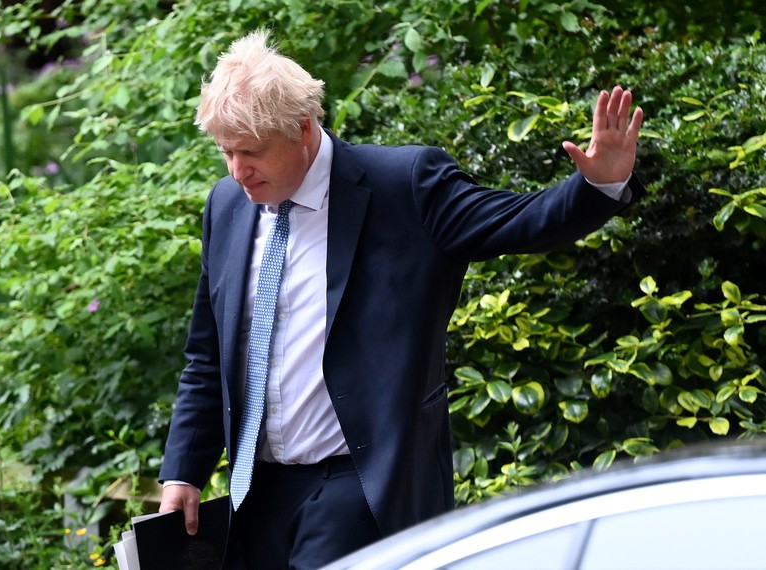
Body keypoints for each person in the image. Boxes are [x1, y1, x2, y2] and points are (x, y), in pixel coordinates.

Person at [158, 28, 645, 569]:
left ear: (302, 129)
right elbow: (208, 355)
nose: (236, 170)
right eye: (226, 152)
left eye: (250, 152)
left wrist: (597, 187)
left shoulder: (404, 185)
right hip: (258, 490)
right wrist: (184, 469)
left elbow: (516, 222)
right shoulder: (226, 205)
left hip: (361, 482)